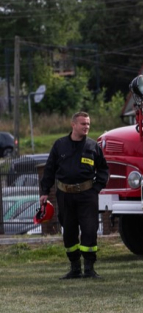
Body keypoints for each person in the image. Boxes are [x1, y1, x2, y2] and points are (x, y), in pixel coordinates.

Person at [40, 111, 109, 279]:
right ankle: (75, 268)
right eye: (83, 124)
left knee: (89, 230)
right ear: (73, 125)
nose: (86, 127)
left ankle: (89, 269)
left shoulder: (93, 146)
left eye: (88, 124)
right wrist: (44, 192)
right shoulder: (59, 145)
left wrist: (96, 188)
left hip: (87, 195)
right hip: (64, 195)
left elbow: (103, 170)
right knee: (69, 231)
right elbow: (49, 170)